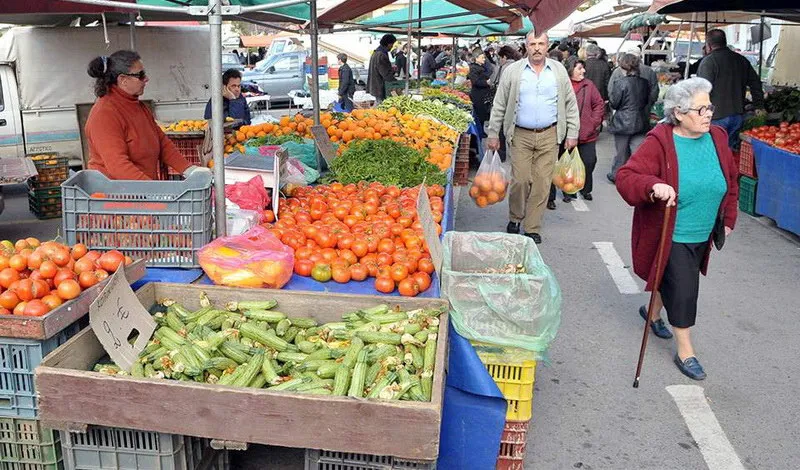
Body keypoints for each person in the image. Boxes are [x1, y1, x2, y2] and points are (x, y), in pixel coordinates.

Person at [615, 77, 739, 380]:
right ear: (679, 113)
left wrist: (729, 219)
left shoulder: (719, 137)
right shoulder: (660, 141)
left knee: (673, 278)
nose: (708, 114)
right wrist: (653, 185)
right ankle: (686, 351)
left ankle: (653, 313)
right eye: (701, 109)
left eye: (710, 107)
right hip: (673, 233)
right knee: (684, 290)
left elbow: (731, 180)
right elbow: (626, 176)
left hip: (704, 232)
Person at [486, 31, 580, 244]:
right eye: (532, 44)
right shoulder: (513, 71)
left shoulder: (558, 71)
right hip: (520, 134)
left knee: (542, 183)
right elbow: (500, 103)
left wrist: (572, 133)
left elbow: (570, 104)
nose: (537, 48)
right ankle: (515, 217)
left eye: (541, 43)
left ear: (547, 46)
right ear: (526, 47)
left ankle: (532, 226)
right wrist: (493, 133)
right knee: (520, 180)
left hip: (549, 134)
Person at [84, 50, 198, 181]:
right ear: (123, 80)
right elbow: (118, 166)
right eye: (141, 75)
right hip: (116, 195)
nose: (146, 79)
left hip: (141, 192)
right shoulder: (104, 115)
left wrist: (189, 170)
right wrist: (153, 191)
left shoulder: (138, 106)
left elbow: (162, 143)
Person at [697, 29, 765, 149]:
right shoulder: (741, 60)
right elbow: (756, 83)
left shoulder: (709, 62)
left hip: (715, 116)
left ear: (708, 45)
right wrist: (759, 105)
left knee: (714, 152)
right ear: (725, 42)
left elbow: (701, 90)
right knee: (729, 152)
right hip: (737, 115)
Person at [564, 57, 605, 200]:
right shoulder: (564, 85)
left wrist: (593, 122)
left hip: (587, 133)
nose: (584, 71)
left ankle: (585, 188)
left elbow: (599, 104)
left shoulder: (589, 85)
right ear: (570, 70)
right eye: (579, 68)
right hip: (567, 133)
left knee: (589, 161)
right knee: (567, 163)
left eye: (583, 68)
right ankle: (568, 190)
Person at [607, 53, 651, 183]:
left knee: (621, 152)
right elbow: (647, 100)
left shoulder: (620, 83)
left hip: (623, 121)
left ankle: (617, 175)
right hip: (641, 119)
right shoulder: (645, 83)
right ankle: (637, 175)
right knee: (638, 151)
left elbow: (615, 103)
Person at [609, 51, 659, 117]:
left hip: (622, 115)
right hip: (643, 113)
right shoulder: (648, 72)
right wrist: (648, 105)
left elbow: (611, 92)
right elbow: (654, 92)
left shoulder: (617, 72)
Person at [367, 34, 397, 103]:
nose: (392, 47)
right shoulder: (381, 55)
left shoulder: (376, 53)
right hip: (380, 87)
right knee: (381, 108)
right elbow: (385, 74)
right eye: (392, 44)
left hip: (376, 86)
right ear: (388, 43)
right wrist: (395, 83)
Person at [468, 53, 492, 132]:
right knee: (479, 114)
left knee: (482, 114)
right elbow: (475, 82)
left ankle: (481, 131)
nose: (484, 59)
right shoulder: (473, 68)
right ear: (476, 58)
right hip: (477, 94)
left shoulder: (481, 67)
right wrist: (486, 82)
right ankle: (480, 131)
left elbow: (490, 69)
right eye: (482, 58)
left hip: (482, 93)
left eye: (484, 58)